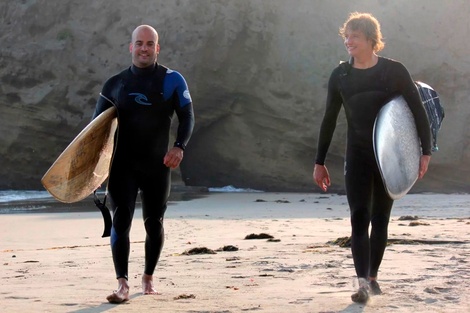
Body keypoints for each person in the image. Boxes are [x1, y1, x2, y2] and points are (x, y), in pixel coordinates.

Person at [313, 12, 432, 303]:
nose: (348, 41)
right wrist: (319, 161)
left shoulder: (394, 72)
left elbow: (417, 112)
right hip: (358, 154)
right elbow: (329, 119)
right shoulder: (340, 75)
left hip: (391, 157)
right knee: (358, 217)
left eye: (354, 36)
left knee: (380, 218)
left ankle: (374, 277)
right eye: (346, 36)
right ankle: (362, 283)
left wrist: (425, 152)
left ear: (370, 39)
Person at [92, 24, 195, 303]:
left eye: (150, 43)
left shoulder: (172, 80)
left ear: (157, 48)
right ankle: (122, 284)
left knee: (154, 223)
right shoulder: (114, 84)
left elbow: (187, 117)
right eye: (139, 43)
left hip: (157, 164)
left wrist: (179, 147)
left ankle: (148, 277)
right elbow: (94, 133)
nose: (144, 48)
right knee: (121, 220)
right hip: (122, 165)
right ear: (131, 47)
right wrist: (94, 171)